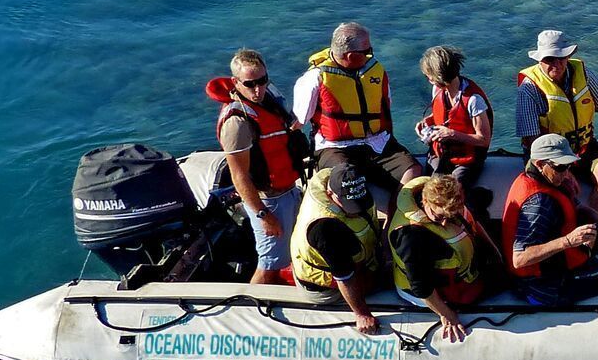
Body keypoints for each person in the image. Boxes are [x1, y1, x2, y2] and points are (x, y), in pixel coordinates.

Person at [292, 21, 423, 216]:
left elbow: (385, 105)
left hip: (377, 144)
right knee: (346, 181)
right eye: (367, 50)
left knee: (413, 172)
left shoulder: (376, 72)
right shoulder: (314, 79)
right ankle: (360, 226)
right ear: (351, 56)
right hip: (335, 147)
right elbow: (299, 120)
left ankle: (393, 224)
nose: (371, 54)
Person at [514, 29, 598, 217]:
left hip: (583, 147)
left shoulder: (582, 73)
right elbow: (533, 141)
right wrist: (563, 170)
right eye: (550, 59)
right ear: (539, 60)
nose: (557, 64)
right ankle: (569, 233)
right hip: (549, 156)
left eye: (562, 57)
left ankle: (591, 229)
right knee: (561, 192)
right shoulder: (529, 88)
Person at [206, 49, 304, 287]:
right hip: (268, 200)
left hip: (289, 190)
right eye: (250, 84)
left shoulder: (268, 99)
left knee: (292, 253)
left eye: (262, 81)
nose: (258, 90)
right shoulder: (237, 123)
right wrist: (263, 215)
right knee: (270, 264)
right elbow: (239, 176)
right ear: (235, 82)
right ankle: (252, 310)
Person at [502, 133, 598, 306]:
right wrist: (568, 241)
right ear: (540, 164)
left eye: (569, 165)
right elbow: (519, 259)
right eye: (560, 167)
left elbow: (576, 207)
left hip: (557, 269)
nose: (566, 172)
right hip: (547, 288)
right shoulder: (538, 204)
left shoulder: (547, 180)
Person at [389, 173, 500, 342]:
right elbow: (421, 287)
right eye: (439, 217)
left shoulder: (449, 207)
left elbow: (471, 224)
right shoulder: (411, 237)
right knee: (504, 282)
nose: (444, 224)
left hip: (462, 263)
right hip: (430, 291)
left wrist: (497, 255)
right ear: (425, 201)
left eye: (450, 217)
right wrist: (447, 314)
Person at [289, 162, 383, 335]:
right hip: (325, 287)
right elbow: (345, 277)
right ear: (330, 194)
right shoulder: (325, 229)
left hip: (339, 253)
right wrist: (362, 314)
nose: (355, 211)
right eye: (349, 204)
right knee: (384, 279)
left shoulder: (329, 177)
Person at [416, 45, 494, 196]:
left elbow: (483, 139)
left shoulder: (473, 100)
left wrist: (451, 134)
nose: (428, 78)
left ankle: (477, 199)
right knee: (428, 191)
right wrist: (428, 122)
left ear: (439, 76)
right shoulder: (438, 90)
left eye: (430, 75)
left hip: (466, 159)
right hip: (442, 154)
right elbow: (445, 115)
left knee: (448, 194)